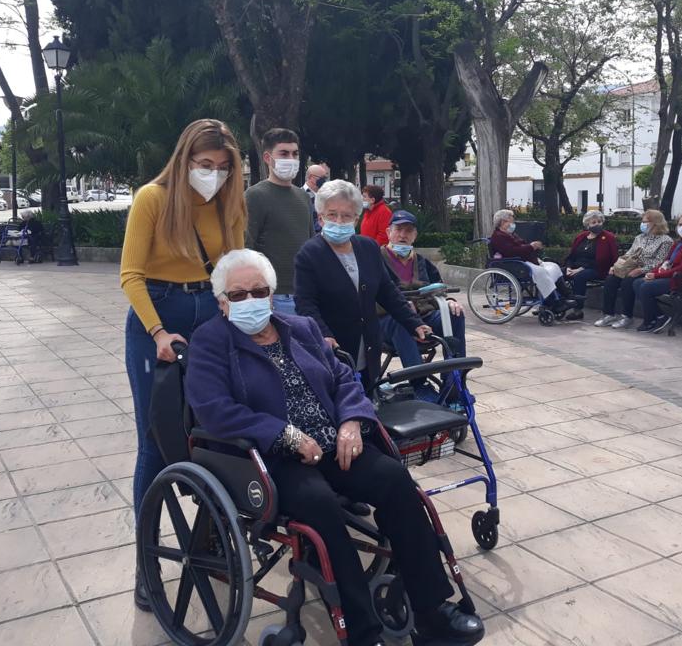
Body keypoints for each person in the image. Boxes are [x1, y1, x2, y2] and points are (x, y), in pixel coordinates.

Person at [185, 250, 484, 646]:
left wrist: (352, 421)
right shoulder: (209, 342)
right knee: (319, 504)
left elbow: (344, 379)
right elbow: (214, 409)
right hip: (271, 459)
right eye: (238, 295)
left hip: (334, 443)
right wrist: (285, 435)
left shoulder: (302, 328)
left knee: (395, 480)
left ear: (272, 295)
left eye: (259, 291)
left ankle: (430, 611)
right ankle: (362, 630)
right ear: (222, 302)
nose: (250, 301)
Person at [119, 118, 246, 610]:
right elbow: (130, 275)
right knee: (156, 441)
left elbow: (234, 264)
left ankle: (208, 543)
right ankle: (146, 562)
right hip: (157, 315)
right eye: (204, 164)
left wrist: (238, 304)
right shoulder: (153, 198)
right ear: (184, 160)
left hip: (210, 313)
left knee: (214, 433)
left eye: (223, 166)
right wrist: (157, 333)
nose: (213, 174)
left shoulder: (229, 201)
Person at [294, 179, 430, 388]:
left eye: (346, 215)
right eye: (332, 214)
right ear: (320, 218)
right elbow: (305, 303)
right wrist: (323, 335)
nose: (339, 221)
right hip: (333, 347)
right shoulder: (310, 253)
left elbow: (387, 292)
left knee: (368, 394)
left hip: (367, 345)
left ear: (356, 219)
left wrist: (414, 323)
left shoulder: (368, 248)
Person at [378, 210, 466, 386]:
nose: (403, 235)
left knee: (455, 315)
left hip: (424, 317)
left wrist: (449, 301)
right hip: (388, 322)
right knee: (400, 319)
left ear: (415, 235)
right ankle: (419, 384)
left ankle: (454, 384)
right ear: (388, 232)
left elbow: (438, 290)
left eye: (408, 230)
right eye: (398, 229)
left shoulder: (422, 262)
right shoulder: (375, 259)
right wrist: (402, 308)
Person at [245, 128, 315, 315]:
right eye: (284, 153)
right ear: (267, 158)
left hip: (305, 293)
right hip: (273, 296)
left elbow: (311, 244)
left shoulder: (303, 197)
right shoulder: (255, 196)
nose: (291, 159)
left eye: (295, 154)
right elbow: (246, 248)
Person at [594, 209, 673, 329]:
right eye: (642, 221)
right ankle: (608, 314)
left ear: (655, 223)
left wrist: (641, 270)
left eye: (645, 222)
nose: (642, 224)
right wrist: (616, 266)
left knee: (628, 282)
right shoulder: (639, 238)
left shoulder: (666, 241)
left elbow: (659, 261)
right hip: (630, 266)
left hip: (648, 270)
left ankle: (627, 316)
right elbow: (628, 254)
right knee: (611, 279)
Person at [489, 209, 573, 312]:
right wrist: (531, 247)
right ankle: (554, 302)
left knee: (553, 267)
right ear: (503, 222)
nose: (513, 224)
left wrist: (532, 246)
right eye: (511, 221)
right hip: (515, 264)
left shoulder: (511, 234)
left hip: (524, 261)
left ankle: (566, 295)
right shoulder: (498, 237)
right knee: (541, 272)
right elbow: (511, 251)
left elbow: (522, 245)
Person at [636, 213, 682, 333]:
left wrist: (656, 276)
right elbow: (667, 262)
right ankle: (659, 316)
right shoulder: (679, 243)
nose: (681, 227)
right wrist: (652, 273)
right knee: (637, 283)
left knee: (645, 288)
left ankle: (650, 320)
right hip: (671, 276)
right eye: (680, 224)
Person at [562, 210, 619, 318]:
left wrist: (581, 268)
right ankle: (556, 303)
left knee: (579, 276)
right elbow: (571, 256)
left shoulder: (608, 237)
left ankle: (578, 310)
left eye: (599, 222)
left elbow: (608, 259)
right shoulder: (581, 237)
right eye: (594, 222)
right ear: (587, 224)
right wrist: (568, 267)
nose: (597, 224)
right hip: (576, 267)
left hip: (598, 269)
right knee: (558, 273)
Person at [302, 162, 329, 233]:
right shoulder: (300, 195)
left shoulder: (326, 196)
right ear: (311, 177)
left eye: (325, 178)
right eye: (322, 178)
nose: (324, 181)